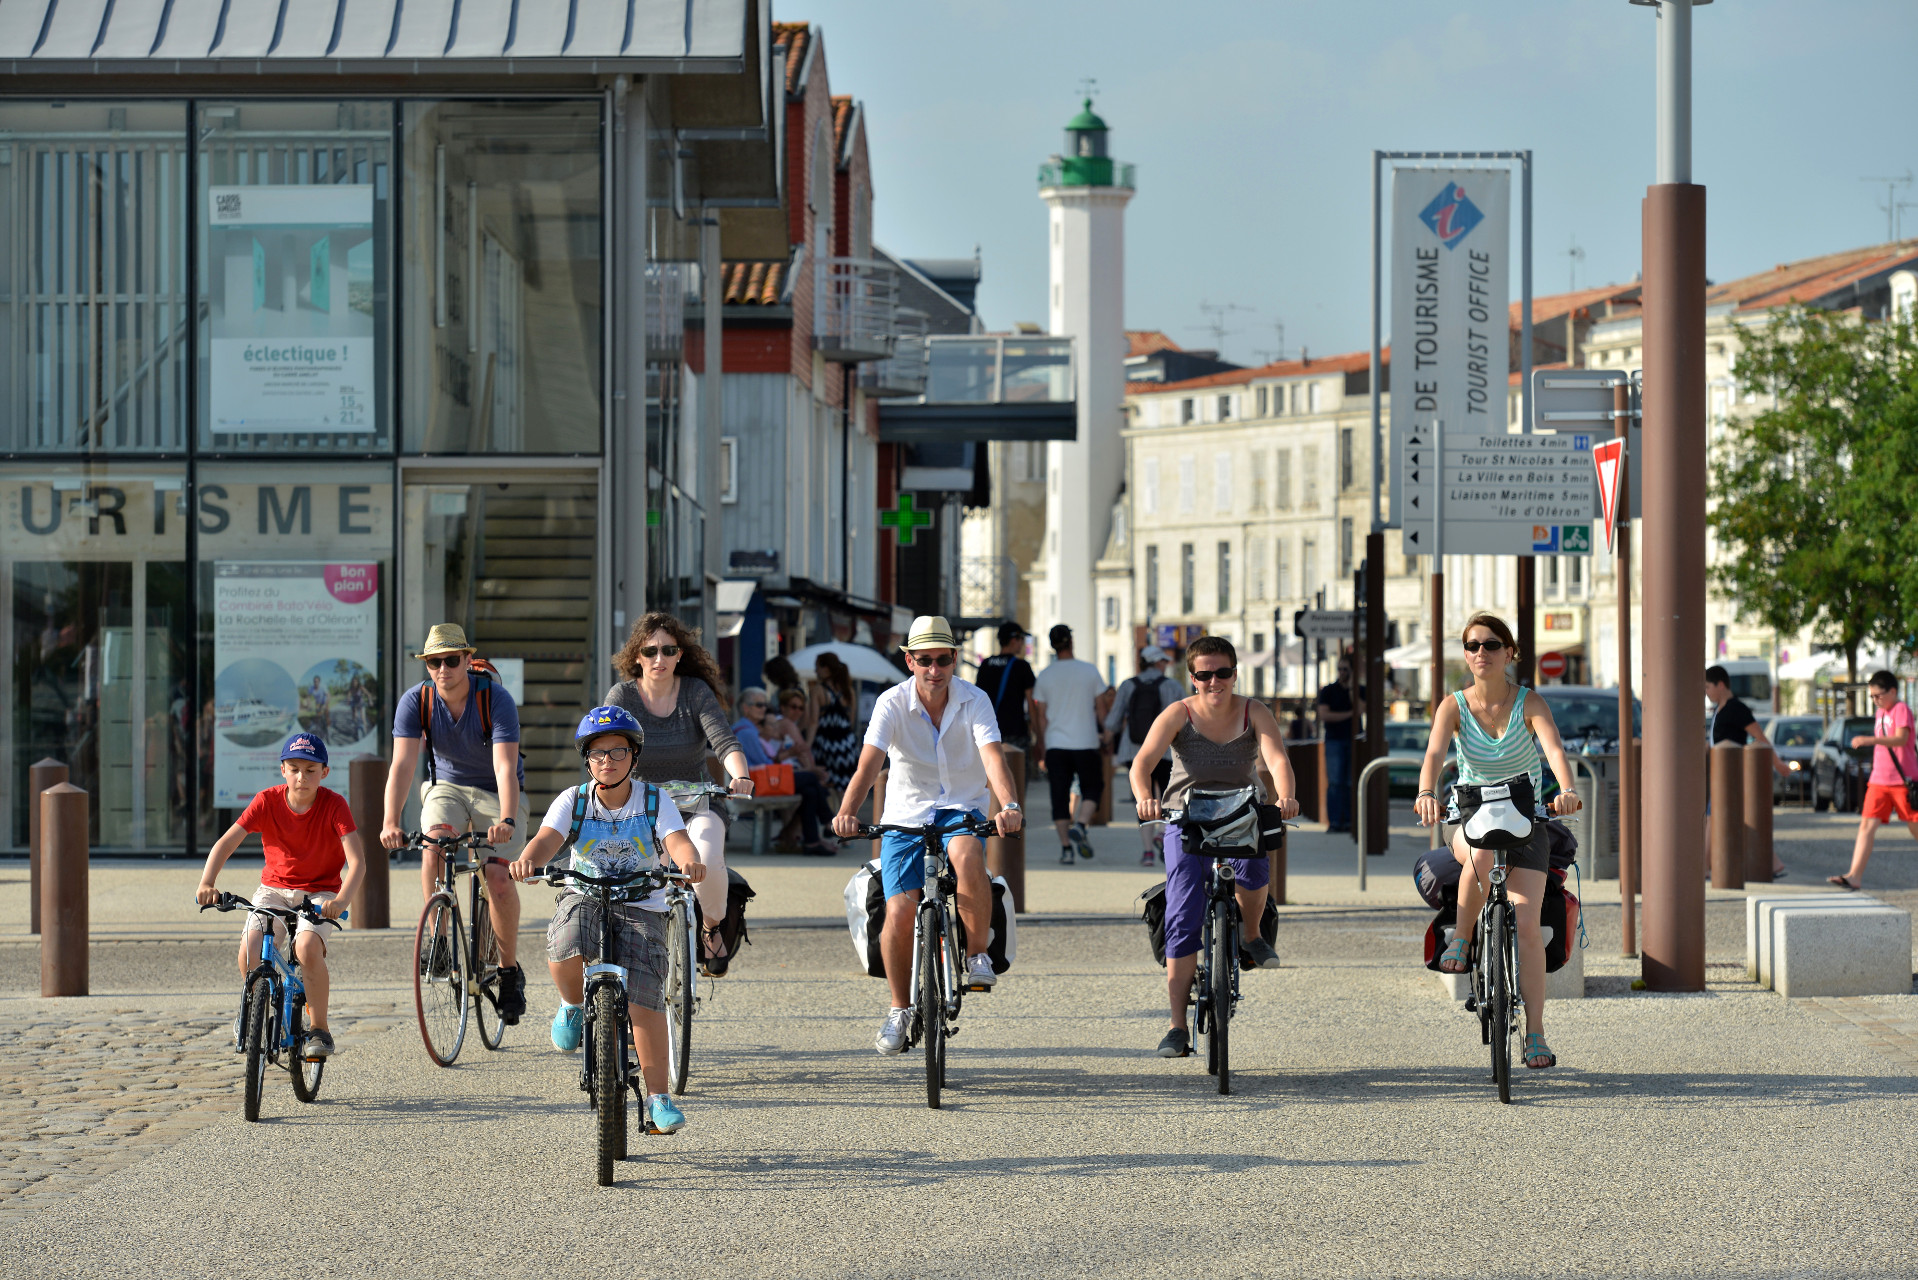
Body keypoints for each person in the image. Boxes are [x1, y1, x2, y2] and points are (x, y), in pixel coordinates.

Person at [831, 615, 1025, 1055]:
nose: (934, 670)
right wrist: (846, 812)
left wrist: (1009, 806)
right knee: (900, 910)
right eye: (924, 661)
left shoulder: (975, 700)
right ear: (909, 660)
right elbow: (868, 764)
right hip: (906, 814)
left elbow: (993, 758)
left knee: (968, 856)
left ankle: (977, 954)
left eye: (942, 660)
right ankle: (899, 1009)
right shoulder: (891, 703)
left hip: (961, 806)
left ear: (955, 658)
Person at [509, 707, 706, 1136]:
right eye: (598, 754)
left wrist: (688, 862)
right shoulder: (574, 800)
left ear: (634, 756)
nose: (608, 762)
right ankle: (572, 1005)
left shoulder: (655, 800)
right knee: (564, 945)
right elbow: (548, 839)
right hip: (586, 893)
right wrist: (528, 860)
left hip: (642, 903)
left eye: (618, 752)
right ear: (587, 760)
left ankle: (657, 1098)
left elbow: (677, 840)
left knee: (645, 996)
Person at [1415, 613, 1583, 1072]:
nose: (1480, 654)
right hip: (1469, 814)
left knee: (1527, 925)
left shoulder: (1529, 702)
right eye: (1472, 646)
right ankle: (1463, 940)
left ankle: (1535, 1033)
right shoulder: (1454, 706)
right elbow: (1433, 754)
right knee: (1481, 852)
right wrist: (1426, 792)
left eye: (1491, 645)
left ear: (1510, 652)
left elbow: (1553, 749)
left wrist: (1565, 789)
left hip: (1525, 817)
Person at [1130, 636, 1298, 1058]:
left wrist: (1285, 796)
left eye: (1222, 672)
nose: (1214, 681)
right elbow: (1143, 762)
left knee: (1256, 869)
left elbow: (1276, 758)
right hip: (1185, 816)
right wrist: (1143, 797)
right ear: (1192, 677)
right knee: (1183, 912)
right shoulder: (1178, 713)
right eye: (1204, 674)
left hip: (1242, 810)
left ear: (1234, 673)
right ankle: (1176, 1027)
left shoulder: (1252, 711)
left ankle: (1252, 935)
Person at [380, 624, 529, 1023]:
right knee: (434, 843)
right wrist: (390, 820)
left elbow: (505, 765)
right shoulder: (417, 701)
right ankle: (440, 940)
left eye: (450, 660)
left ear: (466, 659)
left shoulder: (495, 699)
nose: (442, 669)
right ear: (426, 665)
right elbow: (403, 765)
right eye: (434, 662)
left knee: (498, 879)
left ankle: (509, 972)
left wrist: (508, 819)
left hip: (497, 792)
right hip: (446, 788)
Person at [198, 732, 365, 1061]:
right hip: (273, 889)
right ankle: (252, 1004)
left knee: (306, 948)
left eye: (311, 770)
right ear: (283, 770)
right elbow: (226, 843)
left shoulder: (334, 805)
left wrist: (342, 900)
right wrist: (207, 882)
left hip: (319, 891)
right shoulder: (266, 801)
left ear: (325, 772)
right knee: (250, 945)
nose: (302, 777)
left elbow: (358, 862)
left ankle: (319, 1028)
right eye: (294, 768)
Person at [602, 613, 755, 970]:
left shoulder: (694, 692)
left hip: (698, 803)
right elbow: (606, 745)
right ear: (636, 656)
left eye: (668, 650)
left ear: (679, 655)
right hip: (642, 805)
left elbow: (724, 741)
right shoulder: (623, 695)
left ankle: (711, 926)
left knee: (705, 853)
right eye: (650, 650)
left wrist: (740, 776)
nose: (659, 659)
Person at [1032, 624, 1113, 864]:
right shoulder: (1089, 671)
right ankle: (1080, 823)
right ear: (1071, 642)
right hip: (1086, 741)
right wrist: (1106, 735)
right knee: (1093, 788)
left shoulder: (1045, 675)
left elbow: (1041, 716)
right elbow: (1100, 708)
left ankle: (1066, 848)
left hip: (1056, 744)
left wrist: (1042, 745)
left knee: (1058, 796)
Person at [1831, 671, 1918, 891]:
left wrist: (1869, 740)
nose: (1875, 700)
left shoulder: (1901, 710)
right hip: (1879, 779)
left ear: (1892, 691)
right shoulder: (1880, 713)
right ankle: (1854, 876)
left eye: (1878, 696)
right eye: (1872, 697)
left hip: (1902, 781)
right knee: (1867, 825)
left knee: (1915, 827)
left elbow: (1901, 738)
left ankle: (1854, 876)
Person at [1706, 664, 1789, 879]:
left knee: (1714, 818)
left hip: (1732, 773)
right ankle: (1772, 863)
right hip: (1721, 772)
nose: (1706, 693)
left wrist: (1778, 764)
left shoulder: (1737, 708)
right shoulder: (1718, 710)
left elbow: (1760, 738)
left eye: (1708, 687)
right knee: (1734, 819)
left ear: (1720, 684)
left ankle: (1706, 867)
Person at [735, 688, 839, 856]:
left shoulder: (748, 730)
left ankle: (812, 842)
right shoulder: (747, 732)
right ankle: (827, 821)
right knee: (811, 777)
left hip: (760, 781)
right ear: (746, 708)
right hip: (758, 785)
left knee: (810, 790)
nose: (764, 709)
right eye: (759, 705)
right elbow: (766, 764)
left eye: (765, 705)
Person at [1106, 644, 1184, 865]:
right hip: (1168, 751)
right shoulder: (1172, 686)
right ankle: (1163, 831)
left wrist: (1105, 738)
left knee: (1144, 799)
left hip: (1135, 749)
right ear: (1158, 663)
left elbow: (1114, 719)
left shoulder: (1128, 685)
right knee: (1171, 796)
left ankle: (1148, 851)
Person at [975, 621, 1039, 752]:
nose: (1022, 643)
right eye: (1021, 639)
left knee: (990, 771)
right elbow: (1031, 704)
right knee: (1016, 771)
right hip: (1015, 733)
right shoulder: (1022, 666)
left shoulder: (986, 664)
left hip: (988, 732)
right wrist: (1038, 736)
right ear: (1013, 640)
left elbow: (976, 699)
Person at [1316, 655, 1361, 832]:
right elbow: (1325, 715)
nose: (1342, 673)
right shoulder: (1328, 690)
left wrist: (1351, 692)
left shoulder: (1357, 690)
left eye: (1346, 669)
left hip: (1354, 740)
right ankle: (1334, 821)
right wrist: (1350, 714)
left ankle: (1349, 821)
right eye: (1340, 669)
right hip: (1334, 740)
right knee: (1335, 782)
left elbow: (1362, 708)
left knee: (1351, 782)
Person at [807, 651, 861, 790]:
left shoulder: (817, 690)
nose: (815, 671)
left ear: (826, 669)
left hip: (825, 743)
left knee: (824, 783)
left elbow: (813, 721)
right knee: (846, 786)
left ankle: (830, 812)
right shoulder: (849, 691)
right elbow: (851, 720)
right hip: (846, 744)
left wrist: (807, 745)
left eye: (817, 667)